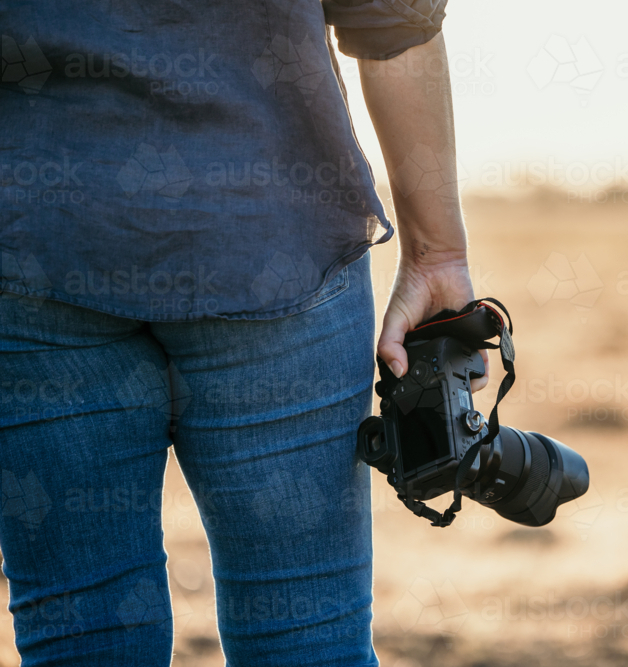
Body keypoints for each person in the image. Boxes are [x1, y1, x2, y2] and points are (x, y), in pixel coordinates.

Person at [0, 0, 485, 664]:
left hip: (37, 247)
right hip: (273, 238)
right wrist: (437, 255)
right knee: (308, 637)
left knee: (82, 635)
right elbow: (393, 21)